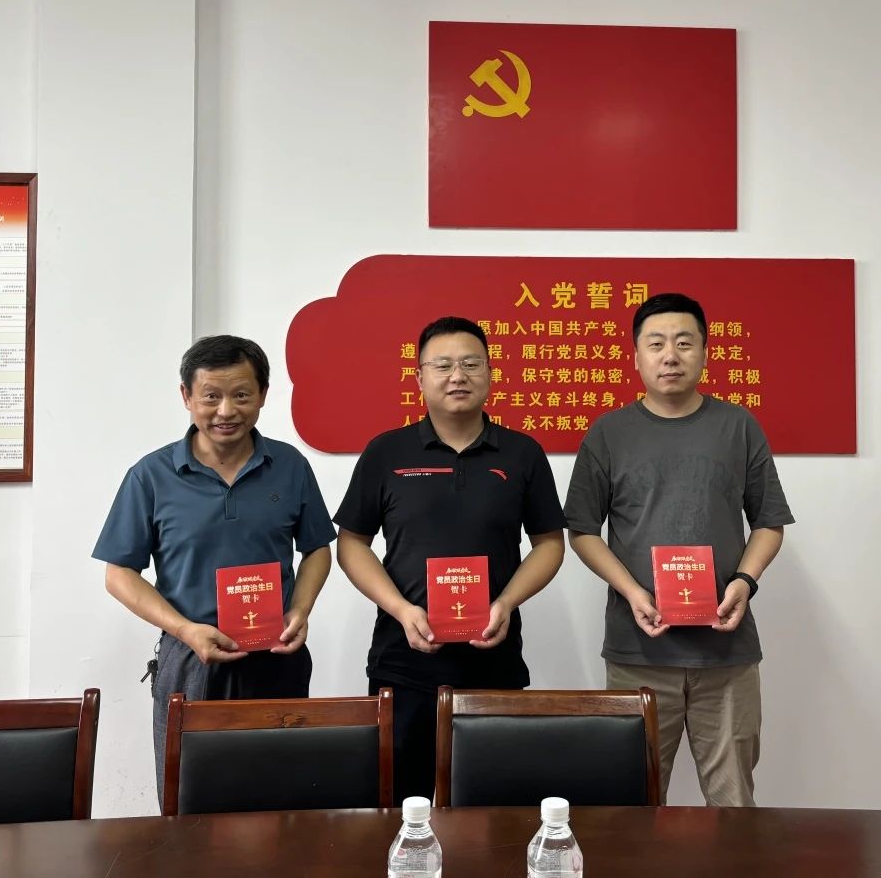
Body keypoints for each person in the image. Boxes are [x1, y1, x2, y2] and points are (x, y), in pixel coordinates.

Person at [564, 292, 794, 807]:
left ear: (705, 352)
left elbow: (769, 522)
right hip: (638, 651)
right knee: (633, 803)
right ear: (636, 357)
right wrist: (632, 592)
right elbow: (582, 531)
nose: (670, 355)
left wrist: (745, 581)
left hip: (726, 653)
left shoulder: (738, 427)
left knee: (733, 801)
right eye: (656, 344)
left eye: (684, 343)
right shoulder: (608, 433)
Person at [93, 334, 335, 803]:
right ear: (186, 396)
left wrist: (300, 610)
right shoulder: (152, 475)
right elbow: (118, 574)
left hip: (276, 656)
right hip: (191, 658)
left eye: (241, 395)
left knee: (283, 797)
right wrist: (185, 630)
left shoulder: (289, 465)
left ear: (263, 395)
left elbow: (318, 549)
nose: (226, 411)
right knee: (191, 799)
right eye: (211, 396)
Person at [334, 316, 566, 803]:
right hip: (403, 662)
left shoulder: (522, 453)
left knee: (493, 808)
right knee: (401, 806)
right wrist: (401, 610)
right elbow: (352, 543)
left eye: (470, 364)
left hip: (494, 661)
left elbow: (549, 543)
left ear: (490, 373)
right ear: (419, 377)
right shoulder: (386, 452)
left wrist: (506, 602)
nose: (457, 376)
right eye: (442, 365)